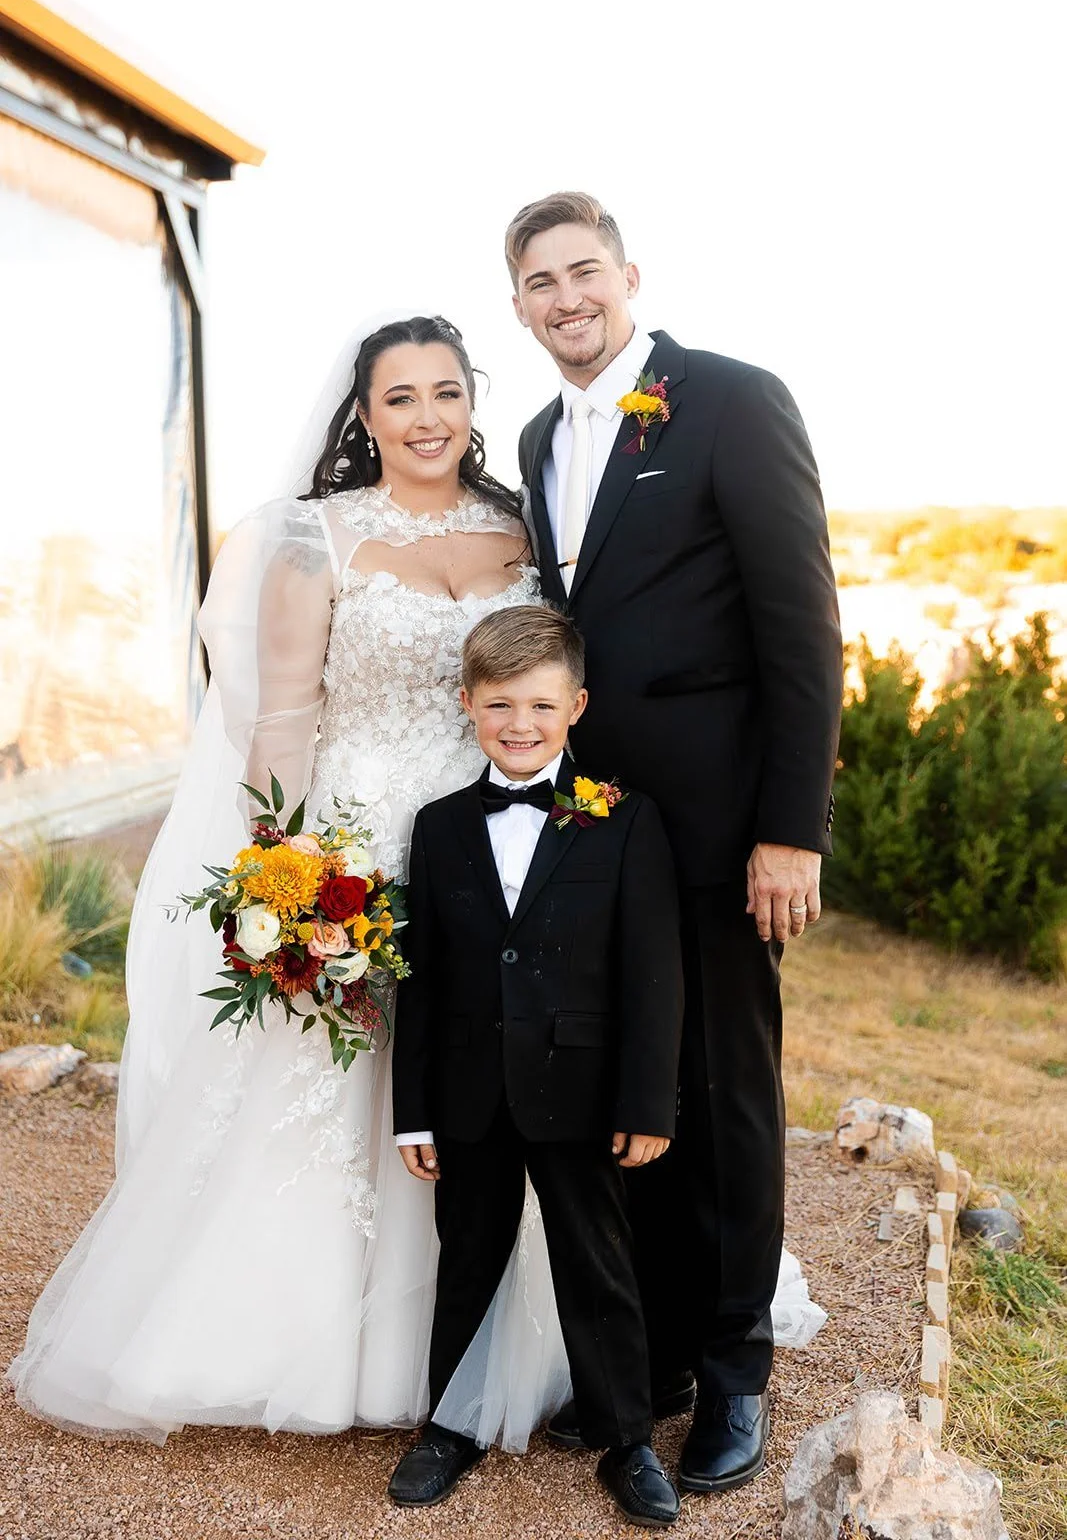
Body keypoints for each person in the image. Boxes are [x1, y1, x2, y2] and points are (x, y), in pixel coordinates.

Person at [7, 314, 569, 1447]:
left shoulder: (523, 533)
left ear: (474, 401)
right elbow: (277, 725)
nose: (425, 417)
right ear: (361, 413)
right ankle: (298, 1345)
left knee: (480, 1079)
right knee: (332, 1083)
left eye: (445, 392)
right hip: (353, 844)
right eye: (399, 396)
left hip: (494, 853)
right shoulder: (313, 539)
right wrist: (287, 883)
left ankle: (481, 1337)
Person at [509, 193, 844, 1493]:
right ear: (520, 305)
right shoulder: (540, 437)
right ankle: (641, 1360)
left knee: (721, 1096)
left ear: (627, 276)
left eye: (581, 271)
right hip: (590, 834)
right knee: (625, 1094)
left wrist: (788, 835)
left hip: (716, 835)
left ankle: (732, 1371)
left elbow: (798, 627)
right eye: (538, 282)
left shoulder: (730, 399)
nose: (564, 298)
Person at [387, 605, 684, 1526]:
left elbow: (652, 975)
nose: (520, 726)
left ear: (577, 705)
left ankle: (626, 1437)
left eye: (542, 707)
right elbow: (422, 979)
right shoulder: (436, 829)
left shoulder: (624, 821)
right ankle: (450, 1426)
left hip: (584, 1092)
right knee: (466, 1253)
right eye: (500, 705)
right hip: (471, 1091)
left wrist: (648, 1102)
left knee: (596, 1261)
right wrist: (414, 1110)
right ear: (468, 704)